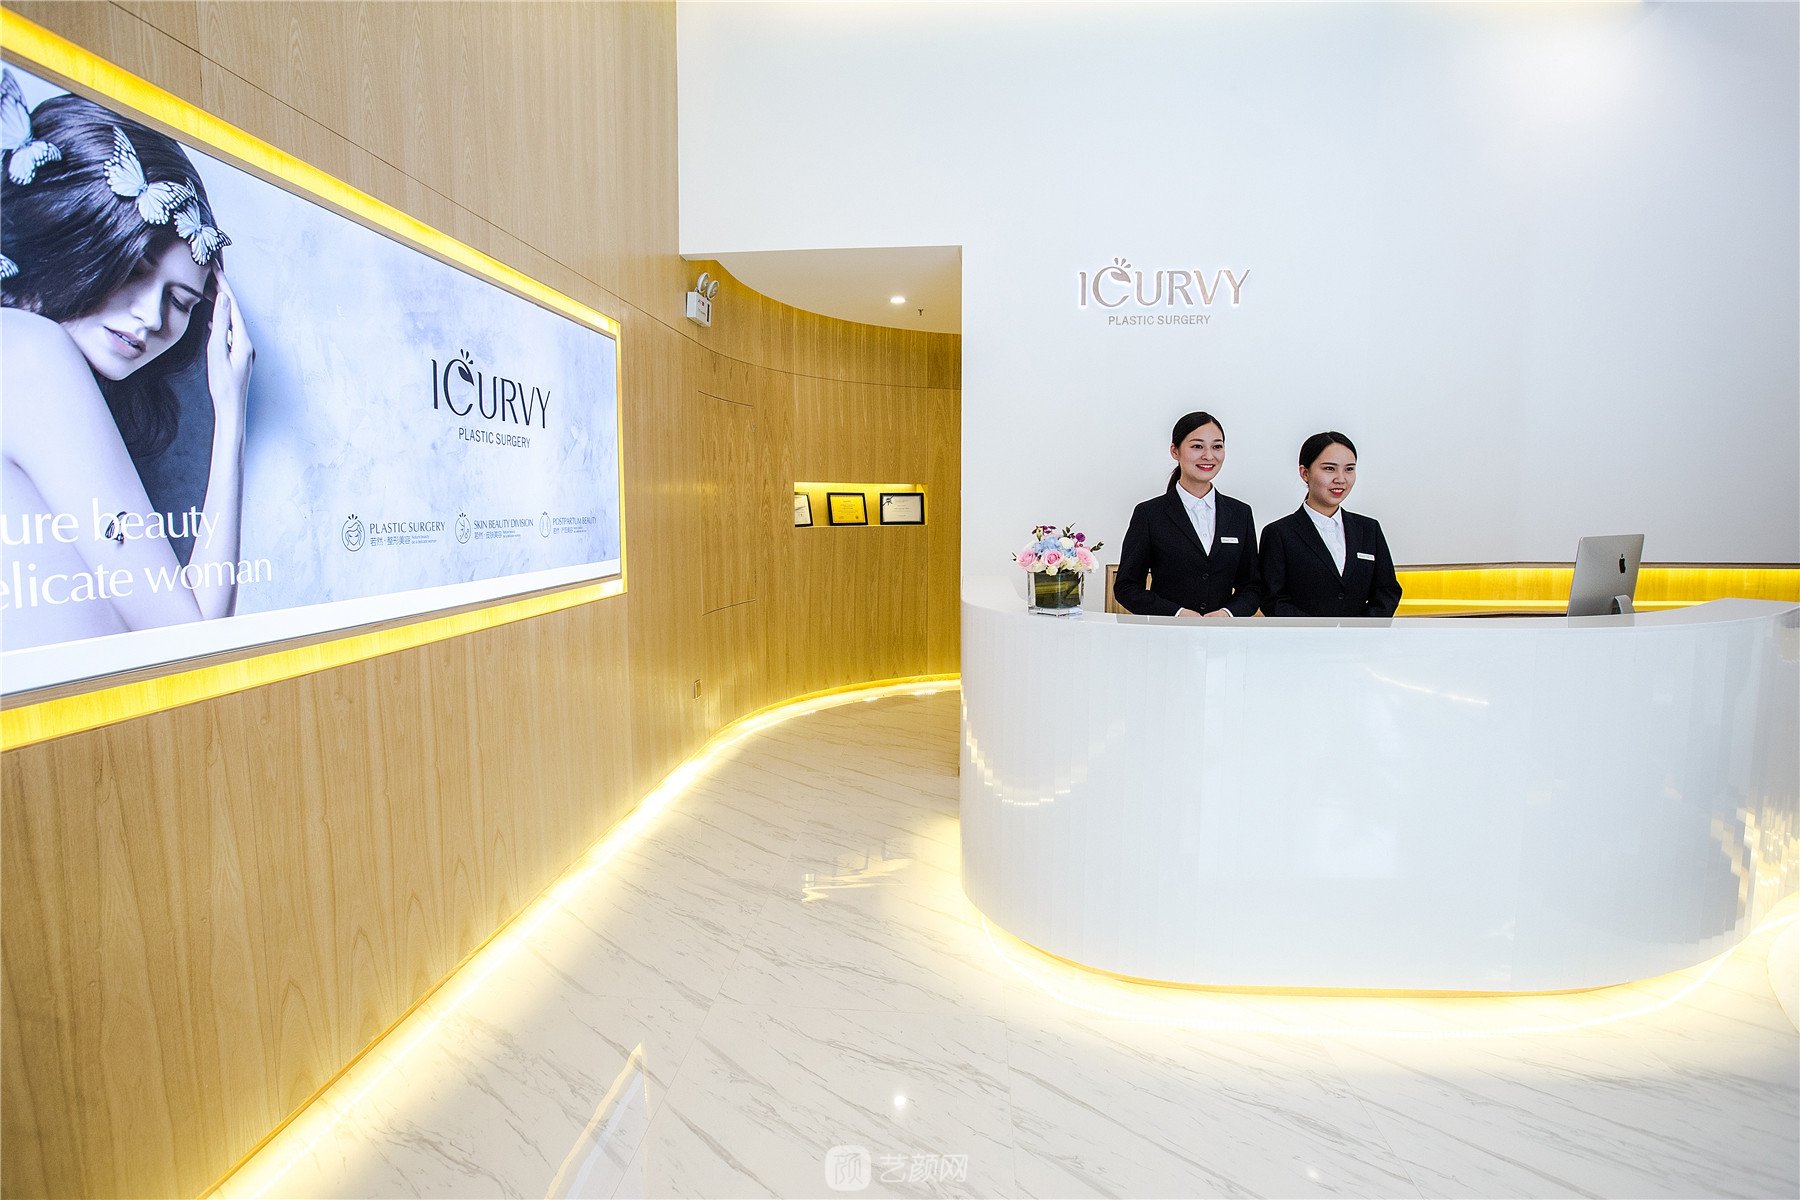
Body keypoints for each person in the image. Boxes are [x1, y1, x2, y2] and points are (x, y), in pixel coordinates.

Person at [1, 73, 252, 651]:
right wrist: (232, 414)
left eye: (182, 302)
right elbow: (191, 644)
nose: (150, 317)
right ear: (79, 237)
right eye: (134, 271)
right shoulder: (32, 352)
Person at [1114, 410, 1261, 617]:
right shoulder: (1149, 514)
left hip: (1223, 632)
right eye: (1197, 446)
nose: (1208, 456)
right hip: (1167, 632)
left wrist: (1227, 614)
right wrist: (1177, 613)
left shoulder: (1240, 513)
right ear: (1175, 451)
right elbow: (1127, 587)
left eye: (1217, 446)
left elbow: (1252, 587)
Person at [1258, 431, 1402, 618]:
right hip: (1302, 635)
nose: (1341, 479)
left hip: (1361, 635)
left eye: (1349, 469)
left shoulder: (1369, 529)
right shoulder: (1279, 533)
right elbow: (1273, 600)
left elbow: (1387, 591)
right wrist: (1320, 631)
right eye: (1329, 469)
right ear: (1305, 473)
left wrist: (1360, 628)